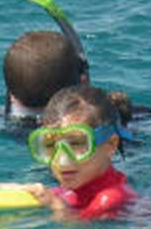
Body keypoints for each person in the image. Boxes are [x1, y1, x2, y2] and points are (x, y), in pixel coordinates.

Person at [24, 85, 136, 221]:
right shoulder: (70, 189)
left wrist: (57, 206)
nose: (62, 160)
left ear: (110, 145)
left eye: (76, 143)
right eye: (50, 145)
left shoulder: (110, 199)